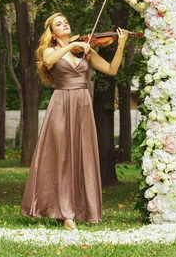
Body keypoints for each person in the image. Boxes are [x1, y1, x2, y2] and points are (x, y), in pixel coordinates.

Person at [20, 13, 129, 229]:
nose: (65, 24)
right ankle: (64, 212)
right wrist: (72, 45)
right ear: (52, 32)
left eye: (66, 21)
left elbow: (111, 70)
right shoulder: (51, 50)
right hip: (61, 104)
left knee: (81, 154)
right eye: (59, 24)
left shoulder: (84, 50)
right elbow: (49, 61)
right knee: (61, 156)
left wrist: (121, 46)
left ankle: (78, 209)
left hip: (82, 103)